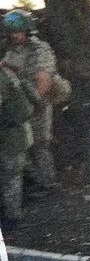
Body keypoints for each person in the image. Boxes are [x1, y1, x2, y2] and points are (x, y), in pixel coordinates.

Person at [2, 10, 57, 193]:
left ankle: (48, 183)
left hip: (37, 103)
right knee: (21, 144)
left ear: (27, 30)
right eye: (12, 32)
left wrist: (34, 104)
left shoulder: (40, 50)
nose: (14, 35)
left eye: (18, 31)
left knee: (39, 143)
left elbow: (44, 80)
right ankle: (33, 178)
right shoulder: (12, 50)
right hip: (19, 105)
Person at [0, 64, 34, 226]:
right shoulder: (8, 72)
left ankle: (13, 217)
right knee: (12, 176)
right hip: (19, 133)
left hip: (10, 136)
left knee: (10, 177)